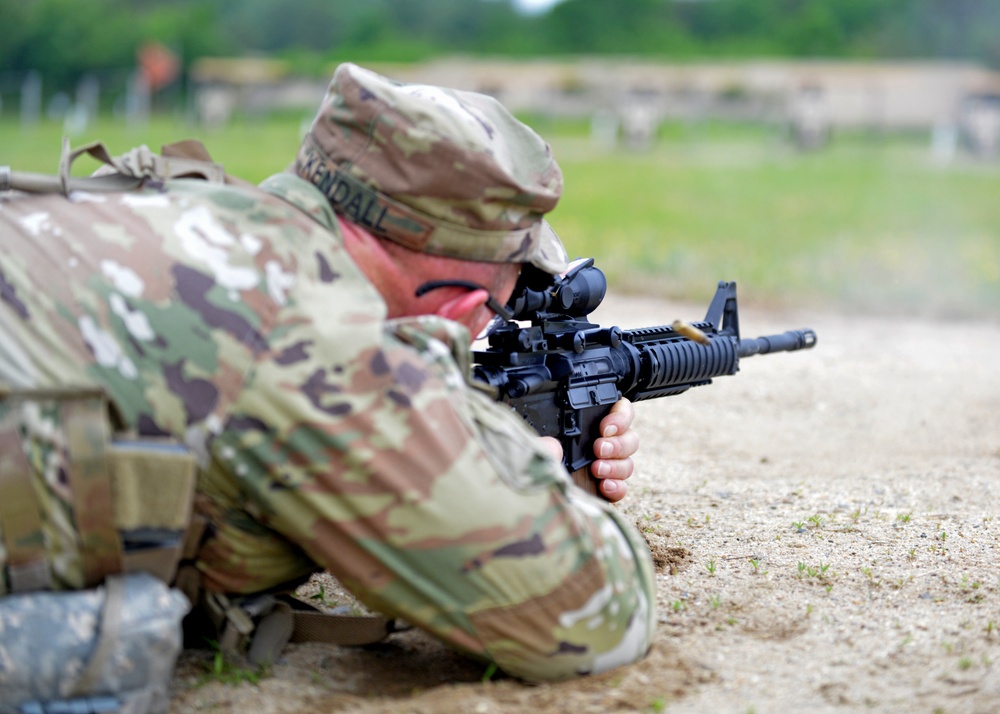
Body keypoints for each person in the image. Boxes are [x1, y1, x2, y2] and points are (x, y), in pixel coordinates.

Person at [0, 63, 655, 682]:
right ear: (459, 299)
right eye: (499, 300)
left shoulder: (190, 206)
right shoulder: (314, 339)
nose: (495, 319)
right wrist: (524, 466)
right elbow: (595, 616)